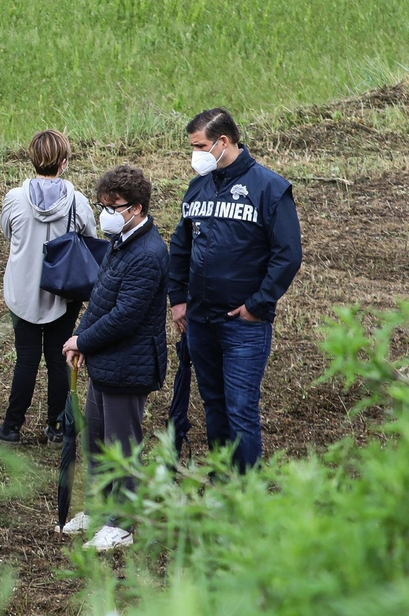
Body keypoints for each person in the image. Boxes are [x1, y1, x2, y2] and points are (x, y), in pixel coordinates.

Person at [168, 108, 302, 472]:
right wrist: (178, 299)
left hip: (243, 324)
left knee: (240, 408)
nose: (194, 154)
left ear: (223, 142)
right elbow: (180, 246)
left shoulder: (269, 188)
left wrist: (258, 305)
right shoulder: (198, 187)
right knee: (213, 403)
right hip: (199, 319)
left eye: (199, 146)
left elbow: (287, 255)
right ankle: (224, 482)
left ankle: (247, 493)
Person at [61, 165, 169, 552]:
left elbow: (126, 316)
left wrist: (84, 341)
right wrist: (79, 337)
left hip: (130, 365)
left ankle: (123, 524)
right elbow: (101, 299)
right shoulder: (121, 242)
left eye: (113, 205)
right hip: (107, 363)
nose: (105, 212)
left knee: (122, 447)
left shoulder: (148, 254)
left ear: (136, 208)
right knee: (97, 441)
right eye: (101, 204)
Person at [0, 130, 96, 445]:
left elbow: (9, 232)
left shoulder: (14, 198)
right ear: (64, 162)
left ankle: (11, 427)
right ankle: (57, 427)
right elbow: (89, 237)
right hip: (64, 292)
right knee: (60, 358)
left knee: (26, 358)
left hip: (22, 293)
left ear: (32, 158)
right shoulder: (77, 200)